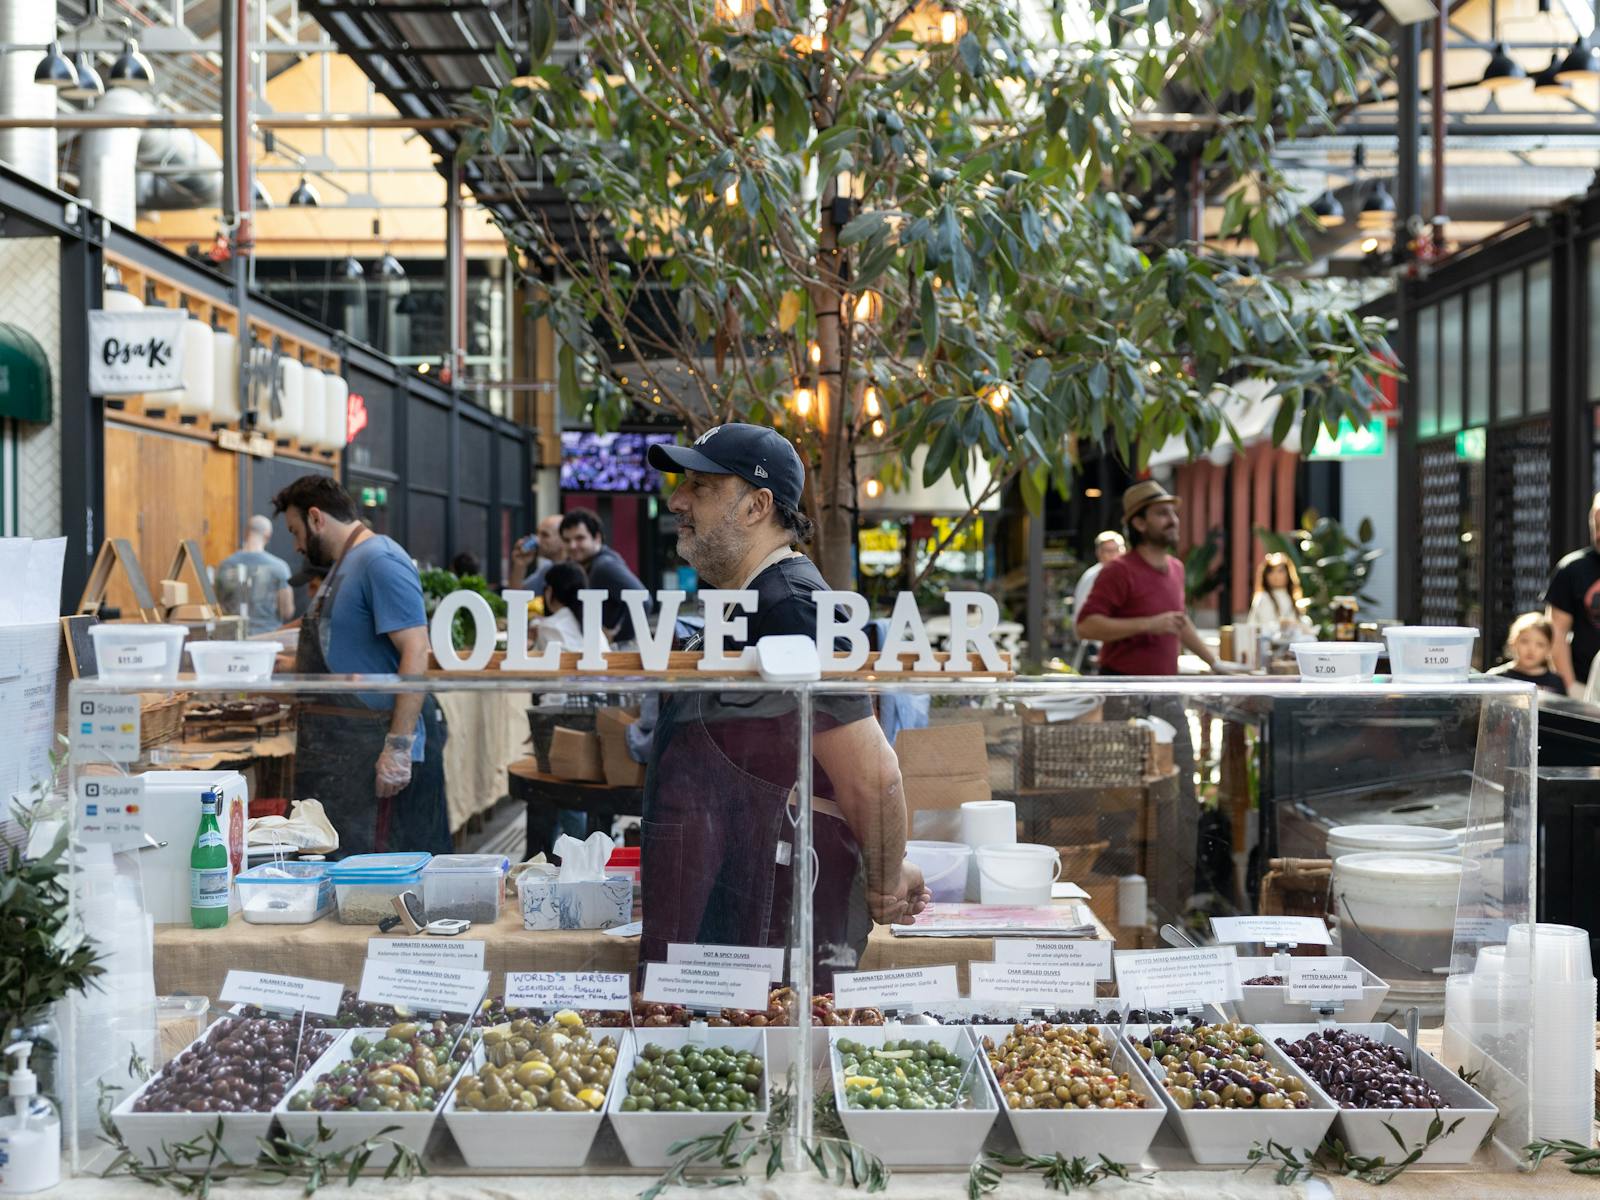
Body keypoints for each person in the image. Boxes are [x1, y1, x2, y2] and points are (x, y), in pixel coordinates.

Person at [642, 423, 929, 987]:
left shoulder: (794, 609)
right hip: (735, 904)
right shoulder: (747, 601)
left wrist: (885, 877)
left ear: (757, 506)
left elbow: (873, 776)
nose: (676, 500)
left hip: (775, 913)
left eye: (699, 485)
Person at [271, 474, 449, 857]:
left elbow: (416, 651)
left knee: (390, 871)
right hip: (342, 745)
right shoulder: (345, 565)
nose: (297, 545)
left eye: (295, 531)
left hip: (375, 743)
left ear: (316, 517)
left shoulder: (380, 559)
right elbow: (349, 654)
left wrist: (398, 747)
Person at [1076, 481, 1235, 675]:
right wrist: (1149, 624)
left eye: (1173, 513)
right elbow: (1085, 626)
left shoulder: (1176, 568)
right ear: (1139, 523)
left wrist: (1215, 664)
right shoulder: (1118, 570)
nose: (1173, 520)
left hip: (1166, 688)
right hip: (1126, 690)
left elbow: (1179, 622)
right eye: (1162, 513)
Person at [560, 507, 652, 646]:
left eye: (580, 538)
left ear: (597, 538)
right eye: (567, 540)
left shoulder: (604, 566)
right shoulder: (585, 565)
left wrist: (618, 638)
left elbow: (643, 600)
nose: (572, 546)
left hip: (617, 653)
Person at [1545, 493, 1600, 698]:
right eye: (1596, 526)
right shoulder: (1572, 569)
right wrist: (1570, 688)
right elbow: (1555, 632)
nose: (1599, 535)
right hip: (1586, 685)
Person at [214, 515, 293, 637]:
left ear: (246, 533)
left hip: (232, 637)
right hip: (268, 637)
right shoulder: (280, 567)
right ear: (268, 535)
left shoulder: (224, 565)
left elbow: (217, 606)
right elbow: (287, 611)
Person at [1487, 612, 1564, 693]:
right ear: (1513, 642)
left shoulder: (1556, 683)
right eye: (1525, 641)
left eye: (1540, 644)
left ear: (1548, 649)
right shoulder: (1495, 678)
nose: (1531, 649)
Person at [1247, 552, 1315, 643]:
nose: (1275, 576)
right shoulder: (1263, 597)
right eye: (1271, 571)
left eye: (1280, 571)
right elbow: (1265, 628)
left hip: (1290, 640)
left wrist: (1302, 624)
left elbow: (1299, 621)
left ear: (1288, 574)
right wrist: (1282, 625)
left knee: (1310, 639)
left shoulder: (1291, 596)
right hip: (1268, 644)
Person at [1071, 531, 1126, 637]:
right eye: (1108, 551)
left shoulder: (1129, 575)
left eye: (1117, 549)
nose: (1114, 554)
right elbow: (1080, 616)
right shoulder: (1091, 577)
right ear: (1099, 553)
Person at [512, 514, 566, 599]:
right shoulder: (547, 569)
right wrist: (520, 565)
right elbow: (516, 598)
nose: (537, 539)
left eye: (545, 535)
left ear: (563, 539)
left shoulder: (575, 569)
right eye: (537, 533)